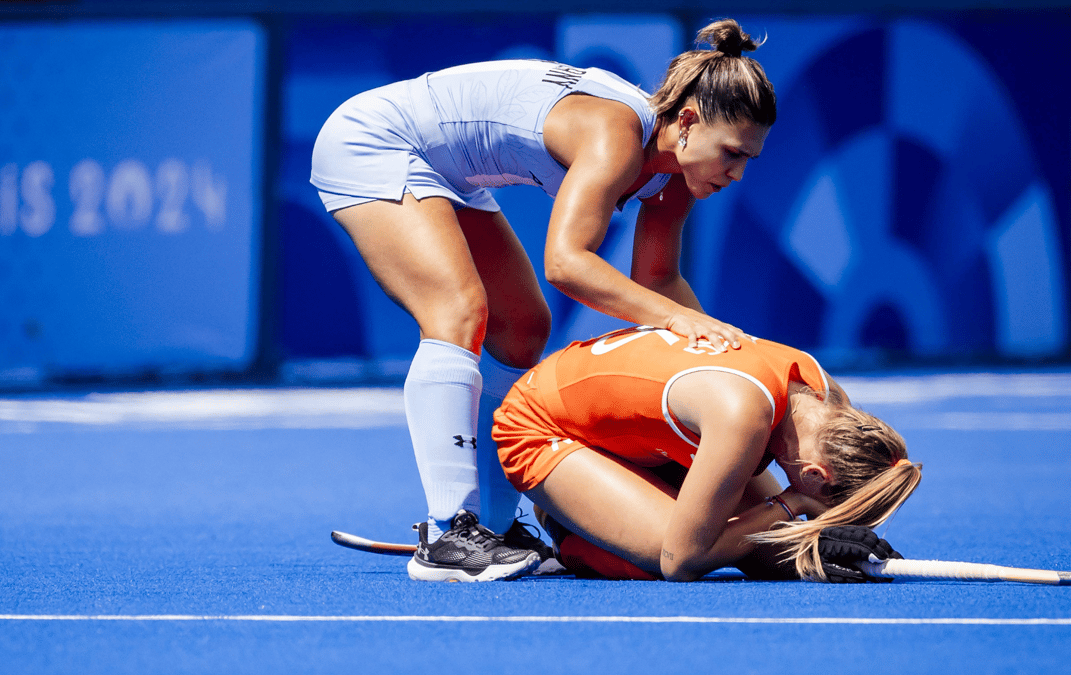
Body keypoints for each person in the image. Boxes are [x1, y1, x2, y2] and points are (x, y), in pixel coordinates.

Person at [311, 19, 777, 582]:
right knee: (457, 311)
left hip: (449, 170)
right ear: (686, 123)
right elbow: (567, 262)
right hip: (376, 141)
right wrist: (682, 320)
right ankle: (447, 534)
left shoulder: (675, 180)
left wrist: (728, 348)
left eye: (750, 159)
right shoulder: (616, 133)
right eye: (732, 152)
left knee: (522, 330)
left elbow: (657, 286)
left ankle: (496, 529)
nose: (738, 172)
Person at [493, 325, 923, 582]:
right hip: (542, 425)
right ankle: (569, 529)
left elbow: (755, 543)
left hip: (636, 435)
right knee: (668, 554)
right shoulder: (743, 419)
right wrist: (794, 504)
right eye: (825, 509)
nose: (817, 518)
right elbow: (681, 562)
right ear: (813, 475)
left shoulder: (827, 398)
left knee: (750, 541)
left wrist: (811, 546)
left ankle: (618, 499)